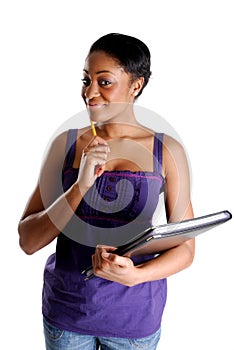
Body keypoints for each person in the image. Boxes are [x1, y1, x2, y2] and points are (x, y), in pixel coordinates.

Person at [18, 33, 195, 350]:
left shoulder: (166, 151)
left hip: (135, 321)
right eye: (86, 80)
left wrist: (138, 276)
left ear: (135, 85)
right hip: (67, 316)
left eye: (104, 82)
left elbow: (186, 249)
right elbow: (29, 241)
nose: (90, 92)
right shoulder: (66, 145)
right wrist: (80, 185)